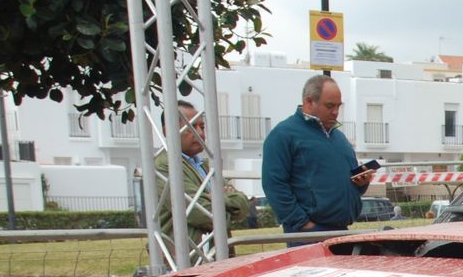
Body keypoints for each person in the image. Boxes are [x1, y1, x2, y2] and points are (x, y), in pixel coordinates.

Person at [261, 74, 370, 236]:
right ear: (309, 101)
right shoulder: (283, 135)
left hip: (340, 229)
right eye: (329, 106)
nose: (335, 112)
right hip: (308, 233)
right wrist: (302, 223)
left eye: (338, 106)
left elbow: (343, 185)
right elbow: (274, 184)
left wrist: (361, 183)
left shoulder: (339, 137)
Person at [155, 102, 249, 240]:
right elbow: (204, 214)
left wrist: (215, 198)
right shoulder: (164, 166)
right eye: (191, 127)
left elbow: (243, 205)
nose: (200, 133)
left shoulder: (206, 165)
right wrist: (226, 200)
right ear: (167, 131)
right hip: (185, 256)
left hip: (217, 253)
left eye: (202, 127)